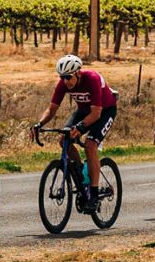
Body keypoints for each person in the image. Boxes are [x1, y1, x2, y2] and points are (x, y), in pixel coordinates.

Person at [33, 53, 119, 205]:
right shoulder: (63, 84)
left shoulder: (92, 79)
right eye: (62, 77)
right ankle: (80, 171)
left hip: (105, 111)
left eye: (68, 76)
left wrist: (80, 127)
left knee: (91, 145)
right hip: (84, 111)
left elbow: (96, 113)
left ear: (78, 73)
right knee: (63, 139)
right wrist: (39, 124)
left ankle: (93, 193)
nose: (65, 81)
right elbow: (52, 109)